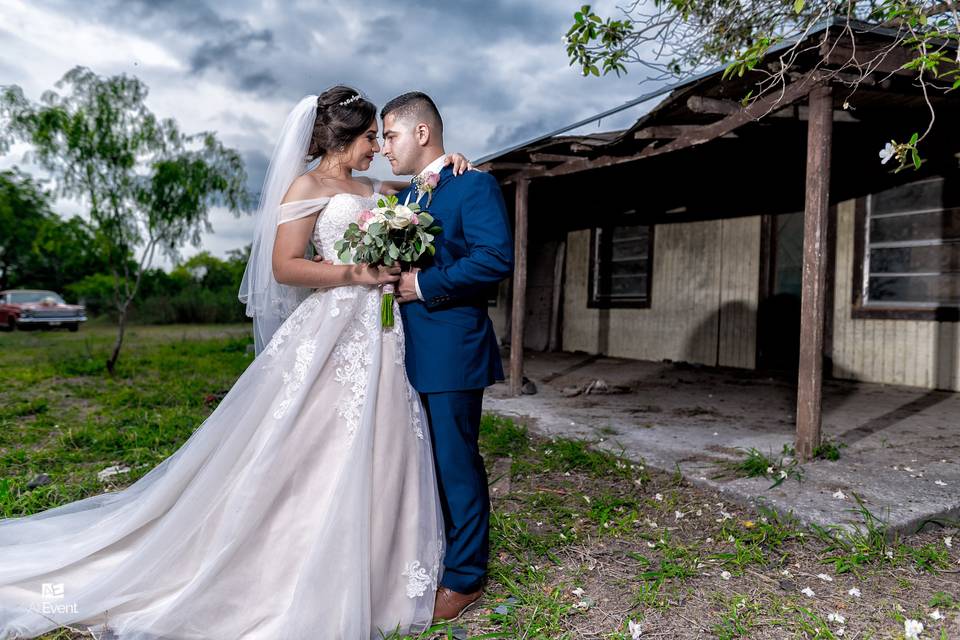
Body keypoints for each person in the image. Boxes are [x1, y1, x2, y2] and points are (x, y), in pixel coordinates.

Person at [0, 86, 473, 639]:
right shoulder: (308, 185)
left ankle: (379, 558)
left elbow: (423, 185)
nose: (377, 148)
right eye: (372, 137)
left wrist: (450, 164)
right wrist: (354, 273)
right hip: (334, 326)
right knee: (309, 440)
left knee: (386, 437)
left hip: (383, 334)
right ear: (345, 137)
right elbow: (285, 267)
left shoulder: (369, 187)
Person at [381, 91, 514, 622]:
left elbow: (495, 258)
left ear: (420, 133)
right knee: (420, 460)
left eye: (389, 135)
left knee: (455, 462)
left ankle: (466, 577)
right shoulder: (410, 196)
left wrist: (424, 284)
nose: (384, 147)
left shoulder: (474, 185)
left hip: (451, 349)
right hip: (403, 349)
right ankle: (431, 553)